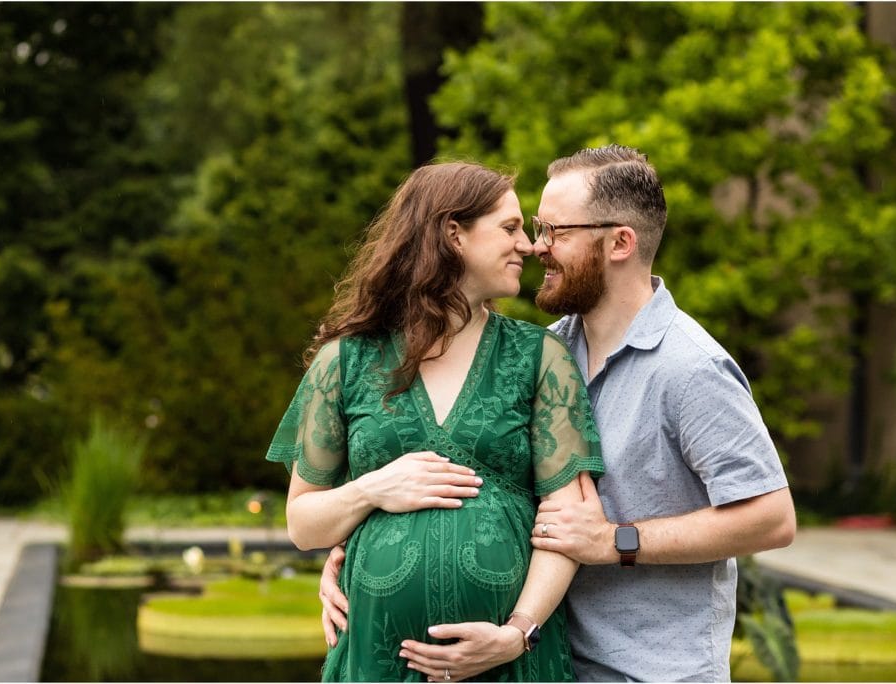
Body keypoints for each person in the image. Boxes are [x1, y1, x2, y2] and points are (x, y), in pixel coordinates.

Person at [319, 146, 797, 682]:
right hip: (555, 660)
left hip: (653, 671)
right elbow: (495, 482)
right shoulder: (547, 352)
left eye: (555, 231)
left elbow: (772, 517)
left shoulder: (690, 368)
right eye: (536, 228)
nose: (536, 246)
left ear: (620, 242)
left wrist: (616, 541)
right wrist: (355, 550)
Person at [266, 161, 605, 682]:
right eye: (510, 228)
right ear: (454, 234)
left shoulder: (539, 357)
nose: (531, 246)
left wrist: (517, 633)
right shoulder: (346, 361)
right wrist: (372, 489)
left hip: (511, 665)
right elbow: (302, 523)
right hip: (376, 664)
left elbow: (569, 523)